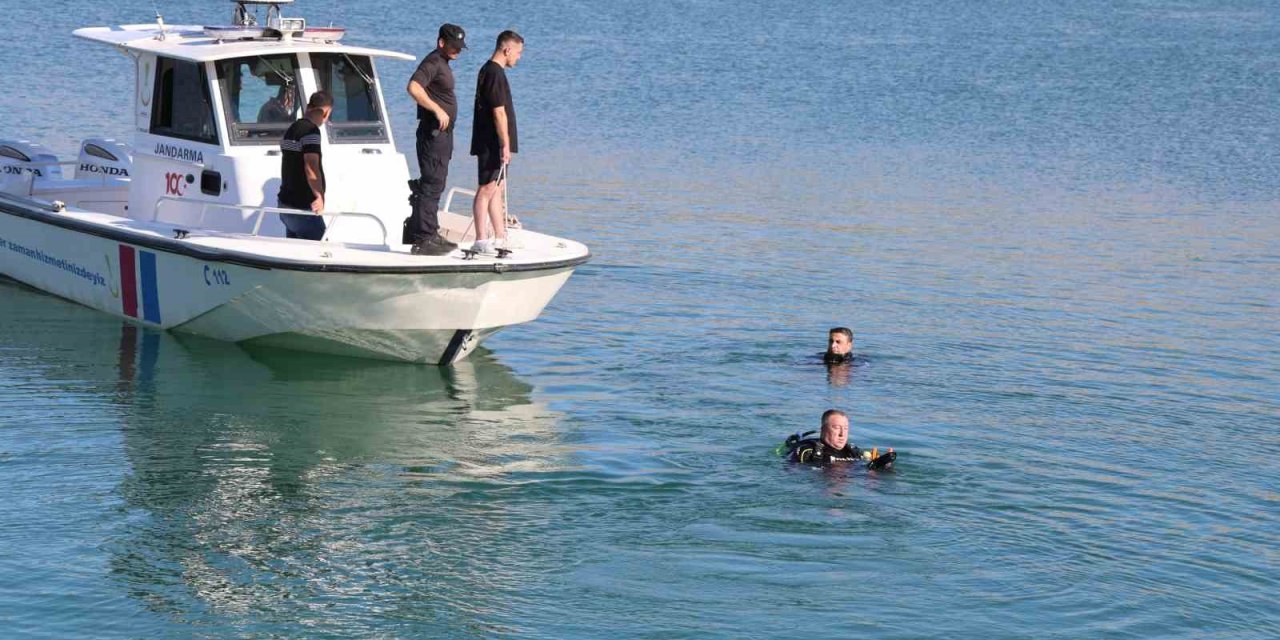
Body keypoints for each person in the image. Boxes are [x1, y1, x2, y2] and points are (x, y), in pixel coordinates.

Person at [405, 23, 467, 256]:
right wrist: (437, 110)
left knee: (437, 182)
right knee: (431, 183)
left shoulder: (443, 63)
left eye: (460, 47)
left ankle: (430, 233)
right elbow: (413, 87)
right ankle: (423, 240)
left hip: (441, 136)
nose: (457, 50)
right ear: (441, 42)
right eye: (453, 46)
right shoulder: (433, 62)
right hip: (433, 134)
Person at [469, 30, 524, 255]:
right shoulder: (494, 73)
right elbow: (498, 112)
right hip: (492, 142)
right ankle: (480, 239)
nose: (519, 57)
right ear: (507, 49)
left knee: (498, 188)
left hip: (495, 142)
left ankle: (500, 237)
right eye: (518, 52)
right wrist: (505, 144)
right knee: (487, 188)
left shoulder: (491, 71)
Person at [277, 91, 333, 241]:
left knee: (295, 252)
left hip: (285, 205)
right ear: (326, 113)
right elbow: (311, 167)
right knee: (322, 251)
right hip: (301, 207)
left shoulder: (292, 129)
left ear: (308, 107)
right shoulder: (311, 132)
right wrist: (319, 196)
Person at [787, 409, 861, 465]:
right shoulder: (807, 452)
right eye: (837, 428)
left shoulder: (853, 453)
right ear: (823, 429)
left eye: (845, 428)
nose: (842, 434)